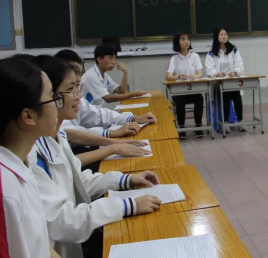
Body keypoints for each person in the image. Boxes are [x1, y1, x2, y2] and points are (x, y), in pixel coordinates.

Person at [28, 55, 161, 258]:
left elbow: (77, 179)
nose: (79, 96)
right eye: (71, 89)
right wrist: (127, 205)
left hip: (75, 238)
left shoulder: (54, 137)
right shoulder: (31, 156)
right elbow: (62, 221)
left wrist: (125, 180)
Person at [0, 56, 57, 258]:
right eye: (52, 98)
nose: (57, 105)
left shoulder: (22, 163)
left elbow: (39, 246)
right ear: (29, 116)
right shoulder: (5, 187)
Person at [56, 50, 156, 139]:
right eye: (110, 58)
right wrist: (109, 133)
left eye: (80, 73)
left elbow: (98, 113)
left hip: (88, 134)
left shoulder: (104, 76)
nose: (78, 78)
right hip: (84, 138)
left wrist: (133, 118)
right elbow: (70, 132)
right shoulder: (90, 76)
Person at [205, 27, 246, 132]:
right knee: (226, 96)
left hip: (232, 81)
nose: (224, 36)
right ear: (216, 37)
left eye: (225, 34)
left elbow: (239, 65)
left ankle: (240, 121)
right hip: (219, 83)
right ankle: (225, 122)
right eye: (221, 34)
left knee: (237, 97)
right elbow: (209, 69)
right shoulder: (211, 53)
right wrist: (217, 73)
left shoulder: (233, 50)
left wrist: (235, 72)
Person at [81, 44, 146, 106]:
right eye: (110, 58)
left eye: (115, 58)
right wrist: (133, 94)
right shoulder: (91, 76)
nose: (114, 62)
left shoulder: (105, 75)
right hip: (84, 113)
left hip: (94, 111)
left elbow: (121, 91)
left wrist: (125, 73)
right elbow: (108, 98)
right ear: (99, 60)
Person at [166, 33, 205, 139]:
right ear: (177, 42)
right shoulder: (174, 58)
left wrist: (195, 76)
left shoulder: (195, 56)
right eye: (183, 39)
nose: (186, 41)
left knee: (199, 99)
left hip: (193, 89)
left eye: (188, 39)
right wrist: (179, 77)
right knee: (180, 102)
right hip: (180, 91)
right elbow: (169, 76)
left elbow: (200, 73)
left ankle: (198, 126)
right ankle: (181, 127)